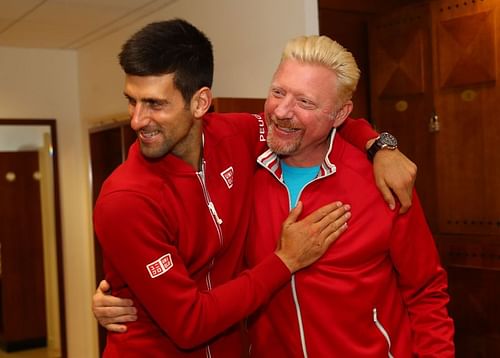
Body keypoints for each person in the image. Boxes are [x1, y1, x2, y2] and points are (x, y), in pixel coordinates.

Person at [92, 19, 418, 357]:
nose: (136, 120)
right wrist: (286, 259)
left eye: (155, 104)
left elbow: (313, 119)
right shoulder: (125, 200)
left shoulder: (236, 135)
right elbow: (189, 324)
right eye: (132, 101)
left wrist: (380, 146)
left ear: (201, 103)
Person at [244, 35, 454, 357]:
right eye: (278, 92)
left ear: (340, 114)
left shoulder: (383, 181)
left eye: (305, 102)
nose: (282, 111)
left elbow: (425, 291)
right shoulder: (243, 173)